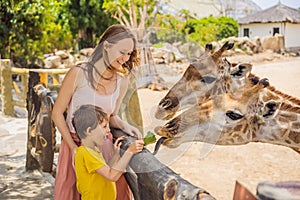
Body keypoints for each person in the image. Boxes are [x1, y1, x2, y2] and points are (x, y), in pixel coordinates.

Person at [52, 24, 143, 200]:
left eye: (129, 54)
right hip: (75, 144)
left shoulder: (121, 83)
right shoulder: (78, 73)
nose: (125, 58)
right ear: (106, 46)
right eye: (122, 51)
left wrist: (125, 125)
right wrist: (72, 148)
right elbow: (57, 113)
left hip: (105, 148)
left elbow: (111, 116)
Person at [72, 104, 144, 200]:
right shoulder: (86, 153)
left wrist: (115, 155)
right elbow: (112, 175)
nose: (108, 130)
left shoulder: (92, 150)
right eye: (104, 126)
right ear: (89, 131)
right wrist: (129, 152)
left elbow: (105, 171)